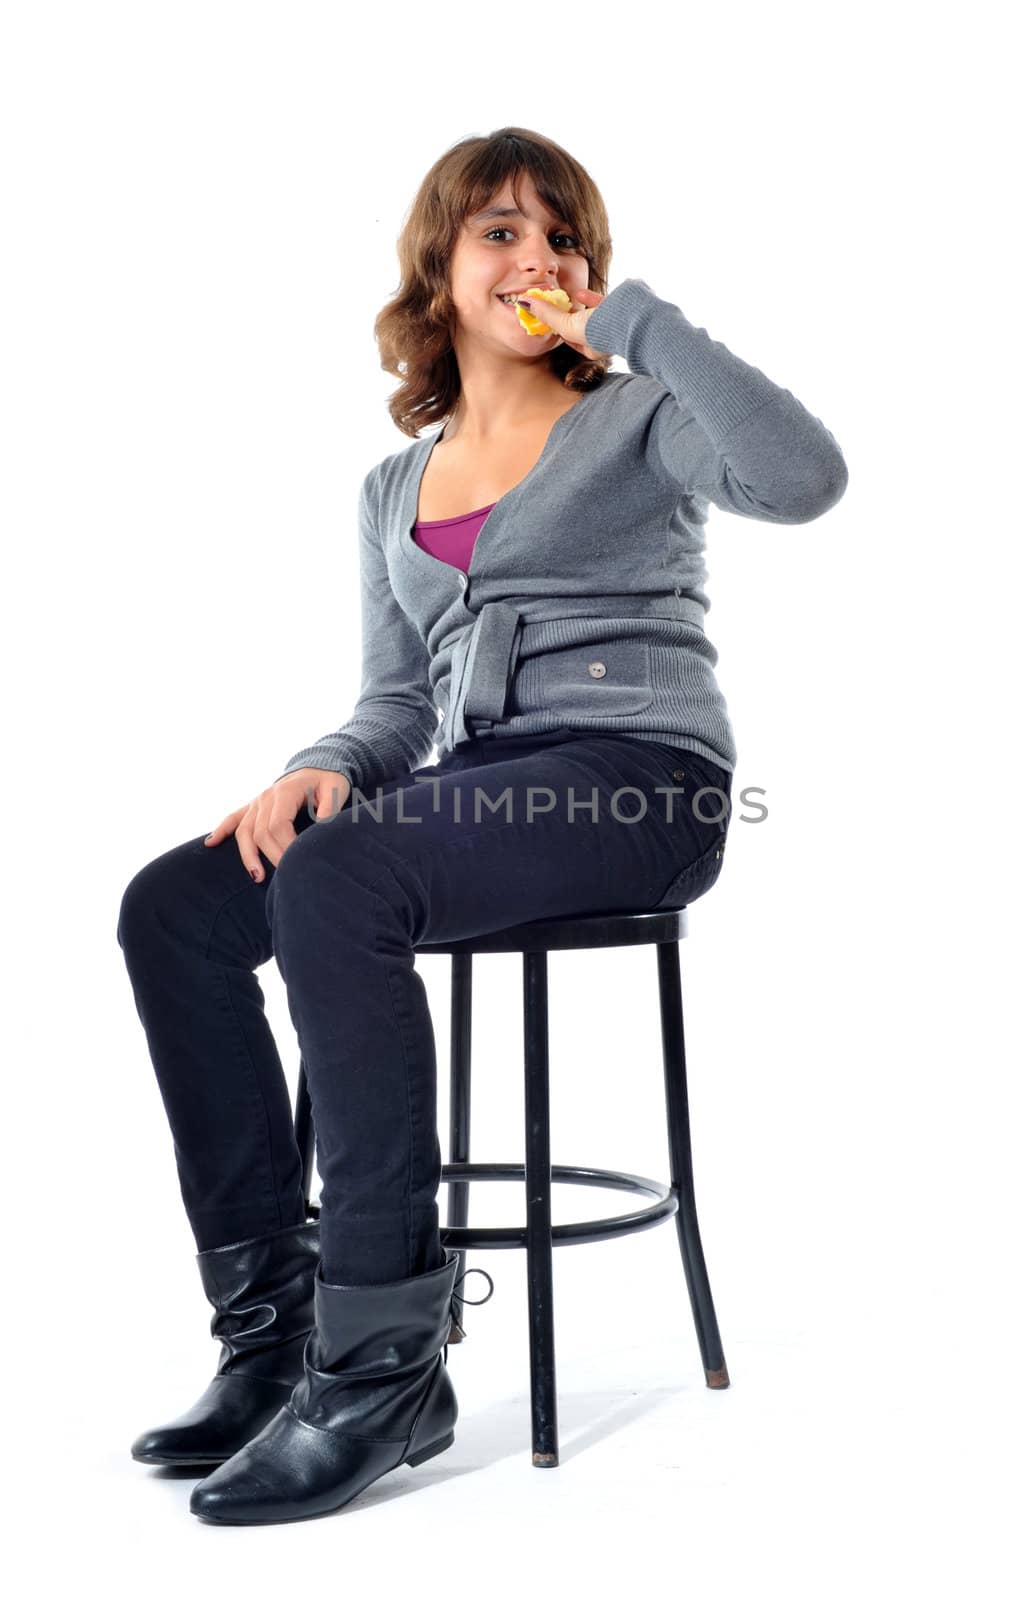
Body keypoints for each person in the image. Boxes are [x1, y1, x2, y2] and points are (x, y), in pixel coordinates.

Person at [116, 126, 847, 1526]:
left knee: (339, 883)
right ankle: (272, 1332)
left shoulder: (640, 416)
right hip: (477, 785)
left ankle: (382, 1356)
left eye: (564, 236)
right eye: (502, 233)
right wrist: (318, 765)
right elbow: (396, 698)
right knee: (178, 906)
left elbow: (801, 479)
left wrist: (632, 325)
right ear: (438, 270)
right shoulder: (394, 486)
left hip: (640, 777)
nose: (539, 258)